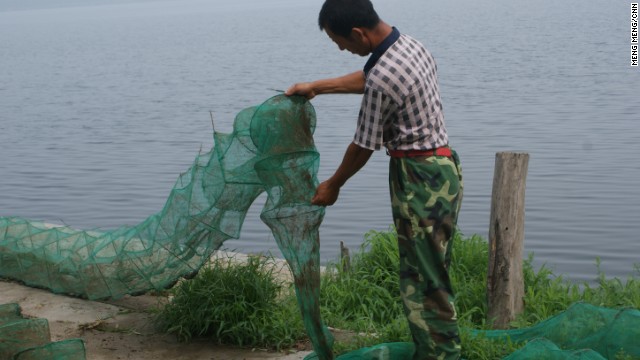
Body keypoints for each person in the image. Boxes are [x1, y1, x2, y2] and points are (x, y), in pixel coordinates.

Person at [285, 0, 463, 359]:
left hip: (419, 180)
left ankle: (442, 356)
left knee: (424, 283)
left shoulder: (383, 78)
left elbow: (363, 145)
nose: (341, 49)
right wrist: (318, 86)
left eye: (341, 42)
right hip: (443, 168)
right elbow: (370, 77)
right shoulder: (410, 45)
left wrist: (332, 185)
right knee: (429, 272)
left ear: (358, 33)